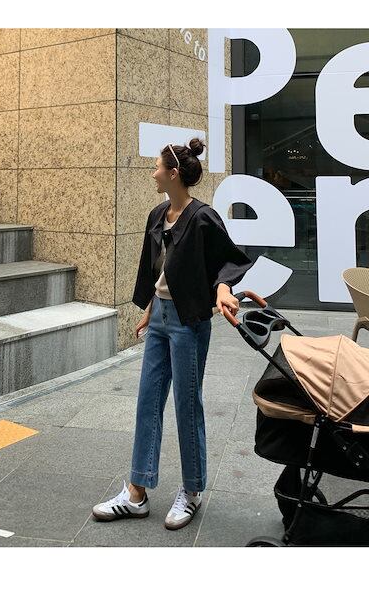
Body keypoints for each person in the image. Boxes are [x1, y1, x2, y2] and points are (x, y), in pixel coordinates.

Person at [92, 138, 252, 530]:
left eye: (158, 167)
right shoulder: (157, 214)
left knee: (186, 404)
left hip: (188, 322)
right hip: (161, 318)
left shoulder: (203, 217)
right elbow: (158, 270)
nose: (153, 173)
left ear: (173, 173)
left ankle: (192, 490)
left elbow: (227, 261)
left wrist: (222, 290)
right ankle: (136, 492)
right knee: (148, 401)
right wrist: (150, 309)